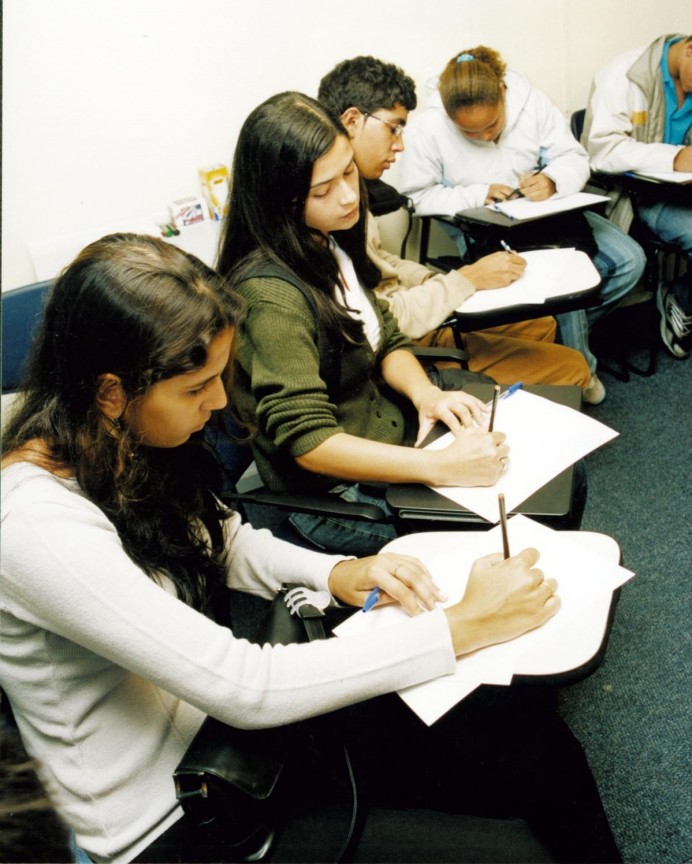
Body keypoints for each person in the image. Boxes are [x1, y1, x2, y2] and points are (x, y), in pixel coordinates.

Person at [0, 233, 621, 864]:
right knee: (509, 854)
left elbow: (226, 542)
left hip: (240, 739)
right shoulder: (36, 525)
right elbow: (245, 684)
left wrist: (341, 571)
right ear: (109, 391)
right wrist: (462, 626)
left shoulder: (121, 441)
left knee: (533, 746)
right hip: (178, 817)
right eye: (198, 388)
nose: (218, 402)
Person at [217, 92, 513, 557]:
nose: (350, 195)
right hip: (336, 497)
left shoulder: (327, 241)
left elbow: (385, 334)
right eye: (322, 190)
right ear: (279, 200)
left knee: (510, 479)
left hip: (388, 439)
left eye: (349, 171)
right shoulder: (271, 295)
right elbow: (309, 441)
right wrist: (437, 468)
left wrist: (426, 395)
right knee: (495, 531)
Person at [317, 55, 593, 392]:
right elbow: (377, 320)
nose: (400, 144)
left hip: (407, 314)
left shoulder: (352, 187)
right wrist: (465, 280)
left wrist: (434, 278)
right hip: (398, 346)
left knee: (540, 323)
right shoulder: (328, 203)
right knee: (573, 368)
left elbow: (378, 261)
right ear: (351, 121)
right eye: (393, 128)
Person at [396, 45, 648, 402]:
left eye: (492, 125)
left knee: (630, 260)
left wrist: (552, 180)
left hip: (551, 212)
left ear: (503, 93)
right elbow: (417, 196)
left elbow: (572, 157)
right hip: (483, 225)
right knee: (560, 281)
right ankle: (580, 367)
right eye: (471, 133)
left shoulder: (533, 103)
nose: (485, 136)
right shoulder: (428, 127)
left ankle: (557, 340)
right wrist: (478, 194)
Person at [582, 32, 692, 358]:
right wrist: (672, 157)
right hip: (635, 196)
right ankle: (684, 300)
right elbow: (602, 152)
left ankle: (681, 294)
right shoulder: (624, 75)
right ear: (689, 49)